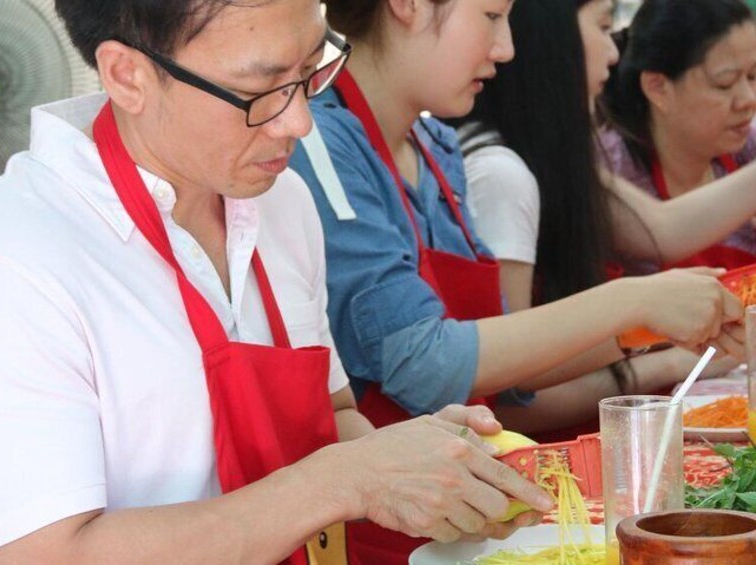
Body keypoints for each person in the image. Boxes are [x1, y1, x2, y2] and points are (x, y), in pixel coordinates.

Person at [0, 1, 562, 563]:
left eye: (312, 70)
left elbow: (329, 418)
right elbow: (37, 556)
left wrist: (413, 459)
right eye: (262, 89)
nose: (299, 122)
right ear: (127, 75)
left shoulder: (281, 203)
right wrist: (341, 482)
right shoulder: (1, 266)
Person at [288, 0, 744, 561]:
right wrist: (634, 303)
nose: (505, 48)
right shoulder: (323, 149)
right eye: (489, 16)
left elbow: (502, 370)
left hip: (467, 525)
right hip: (384, 535)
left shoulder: (437, 150)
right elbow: (426, 364)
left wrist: (657, 326)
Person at [447, 0, 756, 434]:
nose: (615, 52)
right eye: (603, 26)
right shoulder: (503, 173)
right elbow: (508, 392)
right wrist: (662, 346)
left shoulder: (558, 163)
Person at [600, 0, 756, 274]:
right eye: (725, 83)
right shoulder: (610, 167)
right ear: (658, 88)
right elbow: (663, 234)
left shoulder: (747, 151)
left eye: (754, 76)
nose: (748, 100)